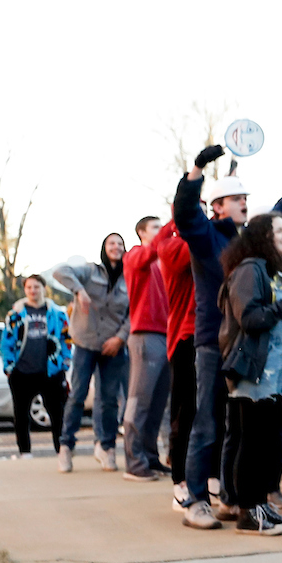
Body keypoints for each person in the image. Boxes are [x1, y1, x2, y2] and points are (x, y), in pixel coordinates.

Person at [173, 144, 282, 530]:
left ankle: (234, 500)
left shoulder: (251, 239)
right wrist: (197, 169)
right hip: (211, 341)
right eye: (236, 199)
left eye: (244, 198)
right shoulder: (205, 235)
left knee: (238, 426)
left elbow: (278, 217)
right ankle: (196, 500)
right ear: (218, 206)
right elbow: (185, 214)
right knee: (208, 422)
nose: (243, 203)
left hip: (245, 343)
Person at [218, 212, 282, 535]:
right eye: (279, 231)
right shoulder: (250, 270)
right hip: (251, 373)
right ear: (264, 237)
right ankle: (247, 512)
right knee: (250, 443)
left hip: (269, 374)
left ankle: (260, 505)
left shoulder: (267, 270)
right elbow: (250, 319)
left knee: (265, 442)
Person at [53, 234, 132, 473]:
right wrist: (79, 290)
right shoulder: (90, 271)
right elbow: (60, 271)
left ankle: (106, 447)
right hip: (86, 343)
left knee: (109, 400)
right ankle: (66, 447)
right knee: (78, 395)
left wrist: (121, 337)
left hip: (113, 345)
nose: (116, 247)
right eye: (112, 243)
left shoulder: (130, 276)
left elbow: (134, 310)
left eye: (120, 244)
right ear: (104, 248)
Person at [121, 216, 172, 481]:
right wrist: (176, 221)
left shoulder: (161, 263)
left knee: (157, 404)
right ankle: (134, 462)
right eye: (156, 227)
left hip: (166, 336)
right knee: (139, 402)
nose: (161, 231)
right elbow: (150, 252)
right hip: (145, 336)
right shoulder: (134, 256)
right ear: (141, 232)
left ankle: (150, 458)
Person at [154, 218, 199, 513]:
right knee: (184, 414)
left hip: (212, 338)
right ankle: (179, 481)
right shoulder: (172, 247)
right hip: (184, 339)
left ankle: (209, 480)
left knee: (212, 414)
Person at [0, 275, 72, 457]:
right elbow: (6, 342)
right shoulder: (16, 314)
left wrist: (65, 361)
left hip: (51, 371)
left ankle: (61, 451)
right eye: (29, 287)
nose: (33, 291)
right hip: (22, 372)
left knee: (58, 414)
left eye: (37, 287)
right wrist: (9, 367)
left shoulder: (57, 314)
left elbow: (67, 339)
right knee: (21, 415)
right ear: (25, 290)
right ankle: (25, 452)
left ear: (43, 288)